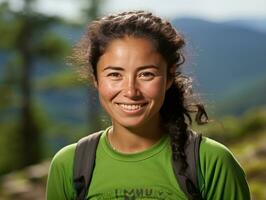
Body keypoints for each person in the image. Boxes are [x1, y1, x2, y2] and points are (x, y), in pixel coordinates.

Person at [46, 11, 250, 200]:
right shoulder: (70, 165)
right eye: (115, 75)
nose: (131, 91)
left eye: (146, 74)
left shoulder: (212, 162)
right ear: (96, 79)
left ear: (169, 77)